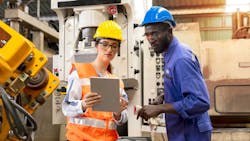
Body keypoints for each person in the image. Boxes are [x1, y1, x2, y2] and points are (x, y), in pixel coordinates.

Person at [136, 6, 213, 141]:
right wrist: (165, 96)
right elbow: (182, 86)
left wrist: (160, 108)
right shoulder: (170, 55)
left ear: (169, 32)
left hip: (191, 133)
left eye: (154, 33)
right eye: (147, 34)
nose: (150, 39)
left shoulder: (181, 59)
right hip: (181, 131)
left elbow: (200, 101)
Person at [62, 20, 128, 141]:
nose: (109, 49)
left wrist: (118, 113)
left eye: (114, 46)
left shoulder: (117, 82)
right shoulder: (79, 73)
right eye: (105, 44)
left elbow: (123, 118)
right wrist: (83, 104)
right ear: (96, 46)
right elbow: (66, 108)